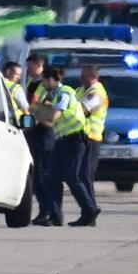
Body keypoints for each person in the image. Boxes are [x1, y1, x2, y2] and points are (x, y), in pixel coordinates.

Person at [35, 67, 96, 227]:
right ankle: (55, 215)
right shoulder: (53, 95)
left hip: (75, 140)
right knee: (51, 177)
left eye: (44, 80)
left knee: (73, 178)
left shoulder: (64, 93)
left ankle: (89, 210)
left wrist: (39, 113)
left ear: (51, 80)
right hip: (63, 140)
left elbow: (55, 116)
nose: (43, 83)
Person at [74, 65, 109, 227]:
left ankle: (91, 211)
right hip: (84, 138)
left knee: (85, 176)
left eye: (84, 76)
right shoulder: (83, 90)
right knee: (83, 176)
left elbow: (81, 110)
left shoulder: (96, 93)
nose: (81, 78)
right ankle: (88, 213)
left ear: (92, 76)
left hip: (91, 138)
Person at [24, 54, 54, 223]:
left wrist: (31, 111)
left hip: (44, 134)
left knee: (43, 175)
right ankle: (44, 210)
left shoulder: (47, 86)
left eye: (30, 65)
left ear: (39, 65)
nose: (27, 69)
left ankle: (48, 212)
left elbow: (48, 112)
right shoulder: (32, 83)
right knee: (35, 175)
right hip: (32, 131)